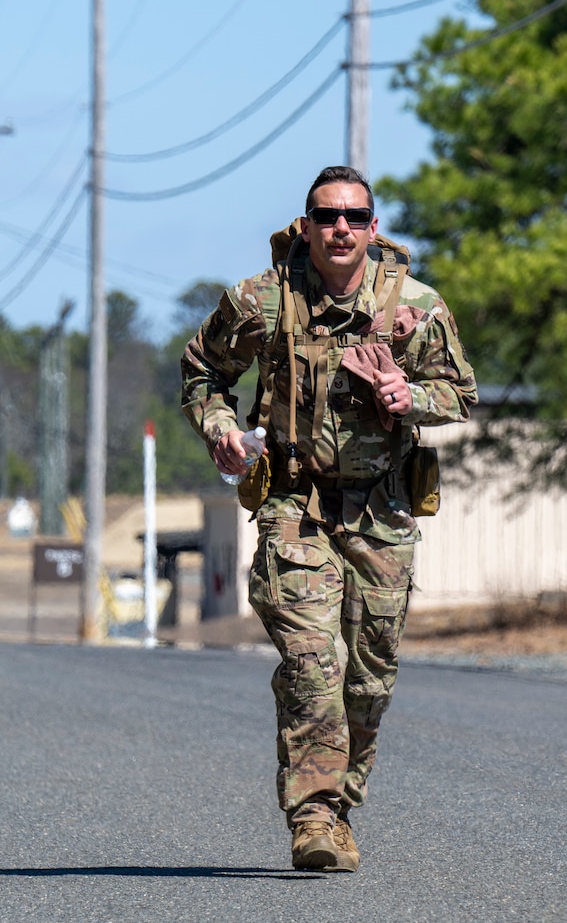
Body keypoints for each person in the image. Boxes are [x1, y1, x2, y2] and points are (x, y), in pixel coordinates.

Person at [180, 164, 476, 872]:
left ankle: (340, 806)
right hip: (295, 506)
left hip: (382, 509)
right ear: (307, 224)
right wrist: (220, 427)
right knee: (315, 663)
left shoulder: (418, 307)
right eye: (326, 215)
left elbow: (459, 394)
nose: (339, 227)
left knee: (368, 678)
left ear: (373, 228)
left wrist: (412, 397)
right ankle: (312, 816)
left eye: (353, 216)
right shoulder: (262, 300)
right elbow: (202, 371)